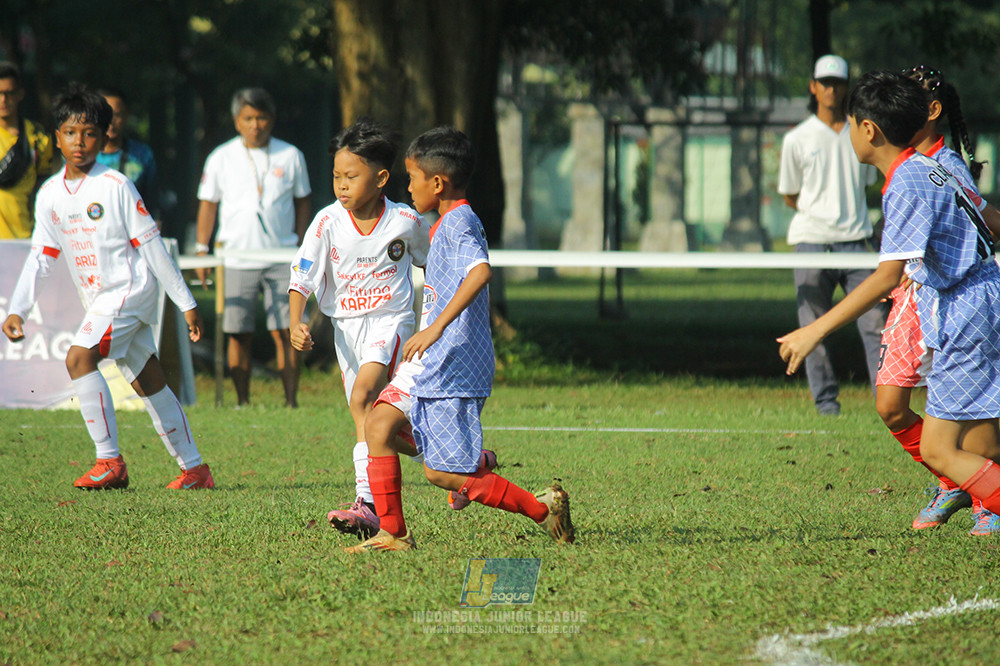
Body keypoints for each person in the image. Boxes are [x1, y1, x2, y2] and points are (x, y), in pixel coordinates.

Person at [778, 71, 1000, 529]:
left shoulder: (906, 183)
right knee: (970, 440)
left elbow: (886, 278)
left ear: (867, 130)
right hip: (971, 306)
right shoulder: (929, 166)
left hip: (966, 313)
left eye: (851, 123)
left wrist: (813, 330)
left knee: (943, 449)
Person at [345, 127, 573, 553]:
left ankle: (542, 509)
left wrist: (433, 328)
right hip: (431, 359)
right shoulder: (445, 222)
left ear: (437, 183)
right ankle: (394, 533)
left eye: (412, 177)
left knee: (441, 475)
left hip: (451, 363)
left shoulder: (460, 222)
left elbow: (480, 271)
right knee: (378, 425)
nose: (407, 186)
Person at [1, 84, 213, 490]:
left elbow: (151, 247)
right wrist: (18, 309)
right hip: (102, 300)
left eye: (90, 133)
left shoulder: (115, 185)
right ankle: (196, 469)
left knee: (79, 359)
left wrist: (185, 302)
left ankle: (110, 461)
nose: (80, 142)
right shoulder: (48, 195)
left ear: (104, 136)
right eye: (70, 132)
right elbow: (41, 258)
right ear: (57, 136)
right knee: (148, 379)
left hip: (129, 292)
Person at [287, 118, 430, 539]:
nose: (342, 185)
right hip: (345, 331)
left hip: (392, 322)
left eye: (351, 176)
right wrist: (296, 319)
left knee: (363, 397)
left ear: (382, 178)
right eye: (336, 176)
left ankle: (367, 503)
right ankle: (459, 461)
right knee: (372, 421)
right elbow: (302, 276)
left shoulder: (405, 221)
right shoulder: (327, 222)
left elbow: (433, 263)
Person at [875, 66, 1000, 535]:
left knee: (969, 420)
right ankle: (955, 479)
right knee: (890, 405)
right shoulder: (906, 167)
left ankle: (983, 495)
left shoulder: (942, 167)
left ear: (931, 110)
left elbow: (983, 225)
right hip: (916, 294)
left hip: (950, 298)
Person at [777, 54, 886, 416]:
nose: (831, 89)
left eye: (837, 83)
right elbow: (790, 194)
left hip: (856, 243)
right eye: (824, 82)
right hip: (812, 242)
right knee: (813, 329)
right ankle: (826, 405)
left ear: (846, 87)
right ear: (813, 87)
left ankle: (884, 402)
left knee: (875, 324)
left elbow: (868, 182)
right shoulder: (797, 138)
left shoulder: (864, 134)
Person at [195, 87, 312, 407]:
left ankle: (291, 401)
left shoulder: (290, 155)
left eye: (261, 118)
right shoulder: (221, 157)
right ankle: (241, 401)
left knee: (285, 331)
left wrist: (303, 245)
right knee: (238, 332)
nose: (255, 125)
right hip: (236, 255)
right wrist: (202, 249)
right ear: (236, 121)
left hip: (282, 255)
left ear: (271, 120)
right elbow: (208, 205)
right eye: (248, 118)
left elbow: (303, 201)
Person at [0, 61, 53, 239]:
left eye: (9, 93)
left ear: (20, 94)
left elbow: (45, 188)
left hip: (26, 237)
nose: (3, 100)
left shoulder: (38, 138)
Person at [97, 87, 160, 223]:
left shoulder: (143, 154)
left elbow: (152, 201)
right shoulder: (81, 154)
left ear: (127, 116)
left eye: (117, 115)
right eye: (105, 115)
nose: (111, 121)